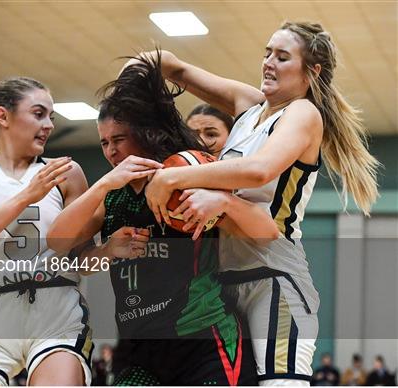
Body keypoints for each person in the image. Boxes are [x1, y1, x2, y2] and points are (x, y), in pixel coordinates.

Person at [132, 22, 380, 385]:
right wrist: (136, 71)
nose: (268, 63)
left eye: (282, 57)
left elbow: (259, 170)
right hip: (224, 283)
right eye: (267, 53)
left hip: (273, 279)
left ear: (312, 71)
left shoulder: (303, 114)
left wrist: (175, 177)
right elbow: (175, 68)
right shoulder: (249, 108)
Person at [48, 52, 279, 385]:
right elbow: (58, 242)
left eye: (118, 139)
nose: (111, 151)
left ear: (143, 135)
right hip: (140, 349)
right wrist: (108, 248)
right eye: (103, 143)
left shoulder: (186, 176)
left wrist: (223, 202)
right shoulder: (111, 195)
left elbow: (266, 233)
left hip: (202, 340)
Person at [0, 77, 95, 385]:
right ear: (3, 116)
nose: (48, 124)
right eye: (39, 113)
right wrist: (27, 195)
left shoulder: (66, 173)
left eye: (51, 116)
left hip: (56, 311)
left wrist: (109, 251)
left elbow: (83, 259)